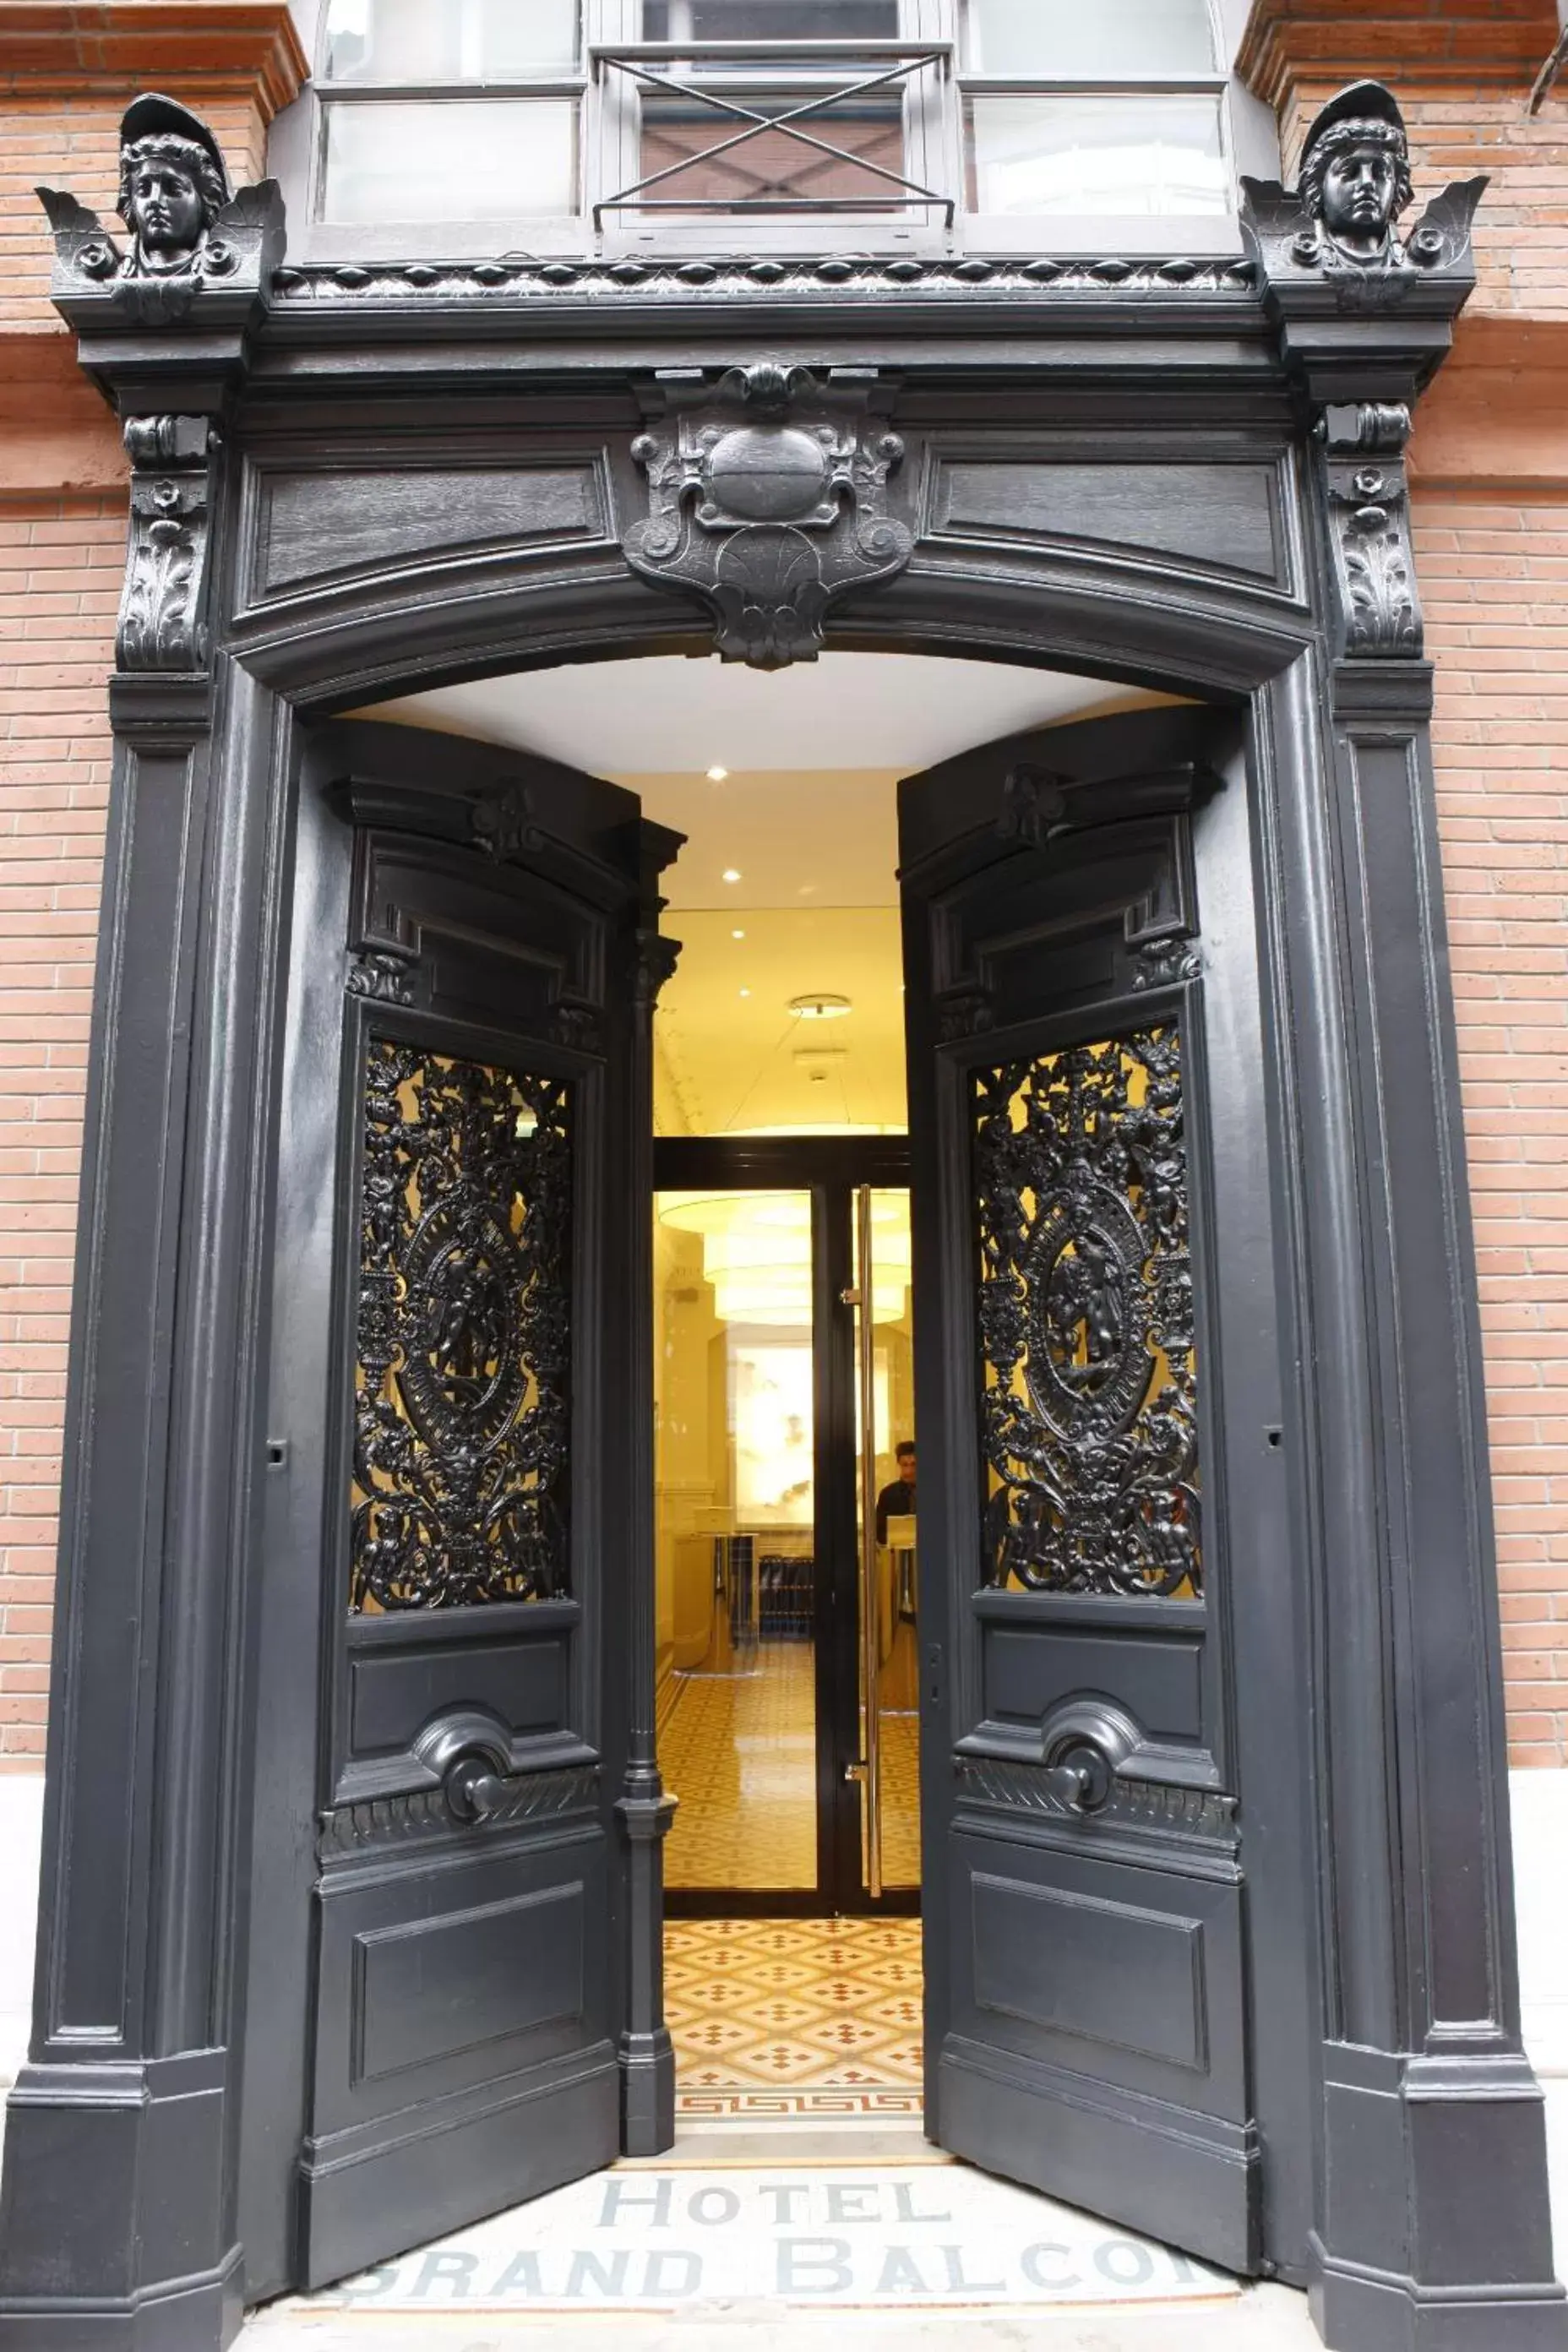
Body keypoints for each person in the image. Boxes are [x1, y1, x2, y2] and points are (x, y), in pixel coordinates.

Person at [875, 1440, 916, 1546]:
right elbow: (879, 1533)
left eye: (913, 1464)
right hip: (896, 1555)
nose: (909, 1471)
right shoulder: (887, 1495)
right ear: (899, 1464)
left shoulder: (932, 1493)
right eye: (905, 1465)